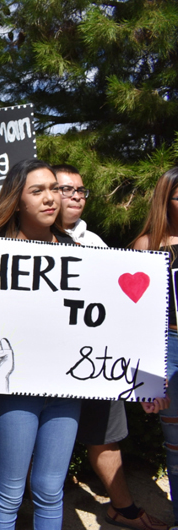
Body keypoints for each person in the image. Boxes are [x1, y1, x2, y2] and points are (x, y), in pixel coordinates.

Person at [54, 164, 168, 530]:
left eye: (81, 191)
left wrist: (145, 376)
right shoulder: (25, 242)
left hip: (93, 363)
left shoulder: (95, 243)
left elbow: (129, 313)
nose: (75, 197)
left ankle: (123, 508)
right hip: (46, 367)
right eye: (65, 189)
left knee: (107, 434)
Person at [0, 158, 81, 529]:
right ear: (17, 200)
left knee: (50, 488)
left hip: (67, 387)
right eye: (37, 191)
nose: (51, 198)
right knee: (9, 492)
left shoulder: (78, 251)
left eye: (55, 188)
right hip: (13, 388)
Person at [133, 166, 178, 527]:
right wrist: (147, 381)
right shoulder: (146, 246)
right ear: (167, 200)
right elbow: (137, 321)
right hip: (168, 344)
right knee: (175, 444)